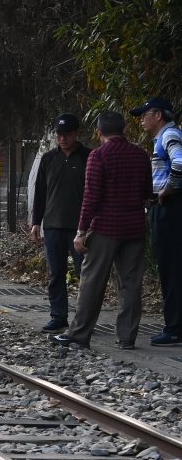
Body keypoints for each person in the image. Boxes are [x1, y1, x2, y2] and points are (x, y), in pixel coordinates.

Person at [54, 111, 152, 350]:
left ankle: (79, 335)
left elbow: (91, 198)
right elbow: (147, 194)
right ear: (125, 130)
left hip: (106, 228)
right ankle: (127, 337)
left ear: (98, 132)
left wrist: (81, 231)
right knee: (130, 283)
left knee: (92, 282)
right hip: (135, 227)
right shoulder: (141, 155)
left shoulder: (98, 156)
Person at [29, 114, 90, 333]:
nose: (62, 138)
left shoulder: (88, 156)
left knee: (85, 273)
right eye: (59, 134)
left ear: (76, 133)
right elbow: (40, 192)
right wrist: (36, 221)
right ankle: (58, 315)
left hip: (80, 226)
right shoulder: (48, 159)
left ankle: (84, 319)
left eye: (67, 134)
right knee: (56, 272)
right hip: (53, 224)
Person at [134, 96, 182, 346]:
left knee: (171, 268)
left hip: (170, 209)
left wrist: (168, 189)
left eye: (145, 114)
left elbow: (180, 161)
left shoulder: (169, 135)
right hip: (164, 207)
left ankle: (174, 328)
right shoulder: (165, 136)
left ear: (159, 116)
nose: (142, 119)